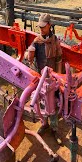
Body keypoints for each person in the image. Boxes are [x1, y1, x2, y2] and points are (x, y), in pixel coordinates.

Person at [27, 13, 62, 145]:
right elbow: (30, 58)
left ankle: (54, 129)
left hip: (52, 79)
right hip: (40, 78)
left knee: (52, 104)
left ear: (49, 25)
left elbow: (59, 58)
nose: (41, 29)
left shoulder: (55, 40)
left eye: (43, 27)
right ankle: (44, 124)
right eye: (40, 27)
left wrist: (58, 78)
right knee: (42, 102)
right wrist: (29, 54)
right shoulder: (36, 42)